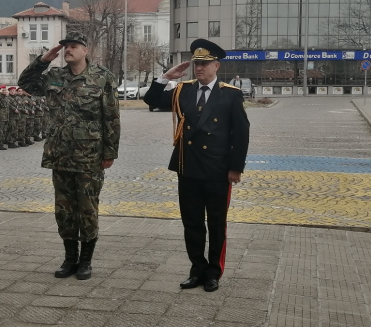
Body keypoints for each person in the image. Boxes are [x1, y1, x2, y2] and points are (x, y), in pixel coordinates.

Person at [143, 38, 250, 292]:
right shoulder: (183, 90)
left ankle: (213, 271)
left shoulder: (230, 94)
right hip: (188, 167)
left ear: (216, 66)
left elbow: (241, 133)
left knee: (215, 222)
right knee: (191, 223)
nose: (198, 68)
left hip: (217, 171)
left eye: (204, 64)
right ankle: (196, 269)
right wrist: (166, 77)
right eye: (196, 64)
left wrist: (236, 168)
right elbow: (151, 100)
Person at [18, 31, 120, 281]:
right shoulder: (54, 76)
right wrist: (43, 61)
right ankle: (69, 258)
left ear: (86, 51)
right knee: (63, 210)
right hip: (60, 154)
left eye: (74, 46)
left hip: (90, 157)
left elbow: (112, 118)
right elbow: (25, 84)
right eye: (65, 47)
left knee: (87, 209)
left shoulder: (101, 77)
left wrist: (109, 153)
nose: (68, 50)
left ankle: (86, 261)